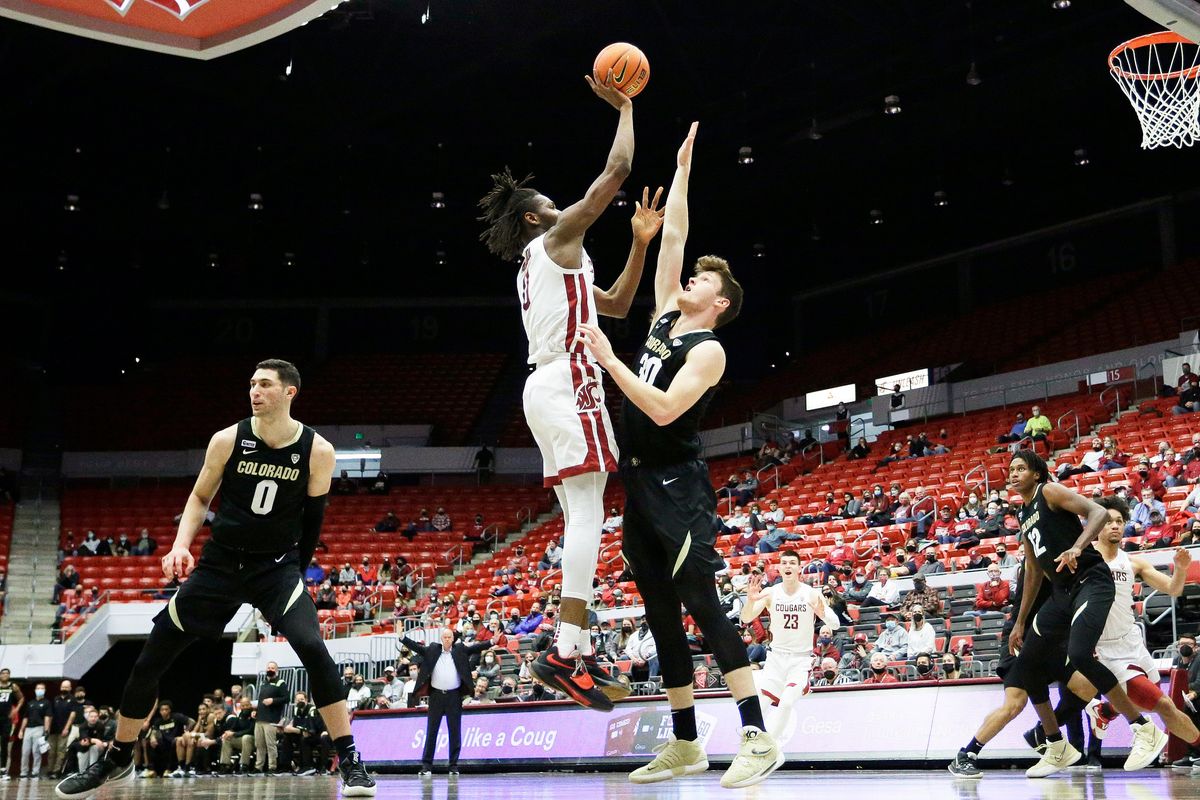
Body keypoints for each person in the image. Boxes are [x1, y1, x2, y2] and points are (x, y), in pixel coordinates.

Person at [54, 360, 375, 798]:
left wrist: (295, 574)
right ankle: (118, 756)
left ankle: (351, 761)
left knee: (314, 649)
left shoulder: (318, 450)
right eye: (251, 384)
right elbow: (201, 496)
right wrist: (180, 545)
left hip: (275, 569)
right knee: (151, 657)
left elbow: (313, 518)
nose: (254, 391)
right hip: (220, 565)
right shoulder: (228, 439)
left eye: (264, 385)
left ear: (290, 393)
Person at [577, 123, 778, 789]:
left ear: (717, 304)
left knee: (703, 605)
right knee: (659, 612)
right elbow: (675, 237)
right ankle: (686, 743)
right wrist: (683, 169)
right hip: (637, 484)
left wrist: (608, 360)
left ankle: (755, 735)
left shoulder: (709, 350)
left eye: (701, 280)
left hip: (678, 486)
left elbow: (663, 410)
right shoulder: (666, 315)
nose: (688, 278)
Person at [477, 69, 655, 712]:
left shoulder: (557, 264)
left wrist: (638, 244)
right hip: (567, 378)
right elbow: (615, 173)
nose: (563, 208)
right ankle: (566, 644)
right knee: (589, 513)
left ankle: (574, 651)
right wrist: (626, 108)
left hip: (547, 384)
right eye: (553, 203)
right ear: (536, 216)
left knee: (588, 511)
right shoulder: (554, 240)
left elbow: (620, 304)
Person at [948, 450, 1167, 779]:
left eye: (1021, 468)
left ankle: (1144, 729)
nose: (1014, 473)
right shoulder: (1024, 514)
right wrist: (1020, 622)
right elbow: (1033, 570)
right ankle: (1056, 745)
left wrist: (1078, 546)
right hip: (1063, 593)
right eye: (1011, 469)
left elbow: (1096, 512)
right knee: (1029, 663)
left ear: (1036, 474)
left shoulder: (1049, 491)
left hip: (1091, 580)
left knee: (1080, 655)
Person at [740, 551, 839, 745]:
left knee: (786, 702)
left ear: (799, 568)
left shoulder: (810, 593)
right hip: (776, 658)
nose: (788, 566)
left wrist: (823, 614)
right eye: (784, 562)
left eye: (792, 563)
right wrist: (750, 601)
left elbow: (834, 625)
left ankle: (770, 747)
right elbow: (745, 618)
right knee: (758, 707)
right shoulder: (771, 592)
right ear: (779, 568)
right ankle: (749, 747)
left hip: (800, 659)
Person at [402, 628, 494, 775]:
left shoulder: (460, 649)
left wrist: (491, 641)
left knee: (455, 731)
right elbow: (417, 648)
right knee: (432, 731)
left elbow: (476, 647)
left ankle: (453, 766)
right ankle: (426, 766)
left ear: (453, 639)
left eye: (449, 637)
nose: (446, 639)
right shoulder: (432, 649)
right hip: (436, 696)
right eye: (444, 637)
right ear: (441, 638)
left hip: (454, 696)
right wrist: (403, 638)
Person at [253, 661, 289, 775]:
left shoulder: (280, 683)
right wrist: (255, 711)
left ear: (276, 670)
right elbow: (260, 701)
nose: (270, 669)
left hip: (271, 719)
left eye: (272, 668)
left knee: (270, 744)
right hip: (260, 718)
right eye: (268, 667)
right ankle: (258, 767)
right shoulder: (263, 683)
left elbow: (286, 698)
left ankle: (272, 767)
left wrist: (273, 701)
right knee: (259, 744)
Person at [18, 683, 50, 779]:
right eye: (38, 688)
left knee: (36, 752)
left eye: (42, 688)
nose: (40, 689)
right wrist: (21, 730)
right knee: (25, 751)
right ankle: (23, 772)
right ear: (35, 690)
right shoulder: (30, 703)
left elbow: (47, 717)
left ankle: (35, 772)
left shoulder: (46, 703)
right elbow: (25, 717)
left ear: (44, 690)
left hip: (39, 728)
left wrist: (46, 731)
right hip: (28, 729)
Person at [0, 668, 23, 778]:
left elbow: (21, 699)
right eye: (3, 673)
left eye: (7, 673)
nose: (5, 675)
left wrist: (16, 709)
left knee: (4, 743)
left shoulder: (13, 686)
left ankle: (3, 770)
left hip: (6, 719)